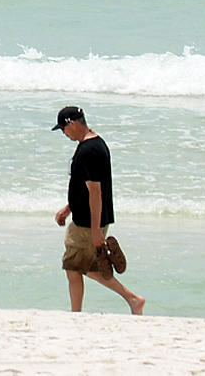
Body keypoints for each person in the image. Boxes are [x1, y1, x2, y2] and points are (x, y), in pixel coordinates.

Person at [51, 105, 147, 315]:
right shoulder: (92, 145)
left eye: (63, 129)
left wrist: (95, 229)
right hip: (85, 218)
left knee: (77, 267)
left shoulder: (89, 150)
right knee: (80, 267)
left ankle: (131, 299)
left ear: (72, 124)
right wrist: (69, 208)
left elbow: (95, 192)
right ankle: (80, 312)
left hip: (87, 222)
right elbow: (83, 187)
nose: (64, 134)